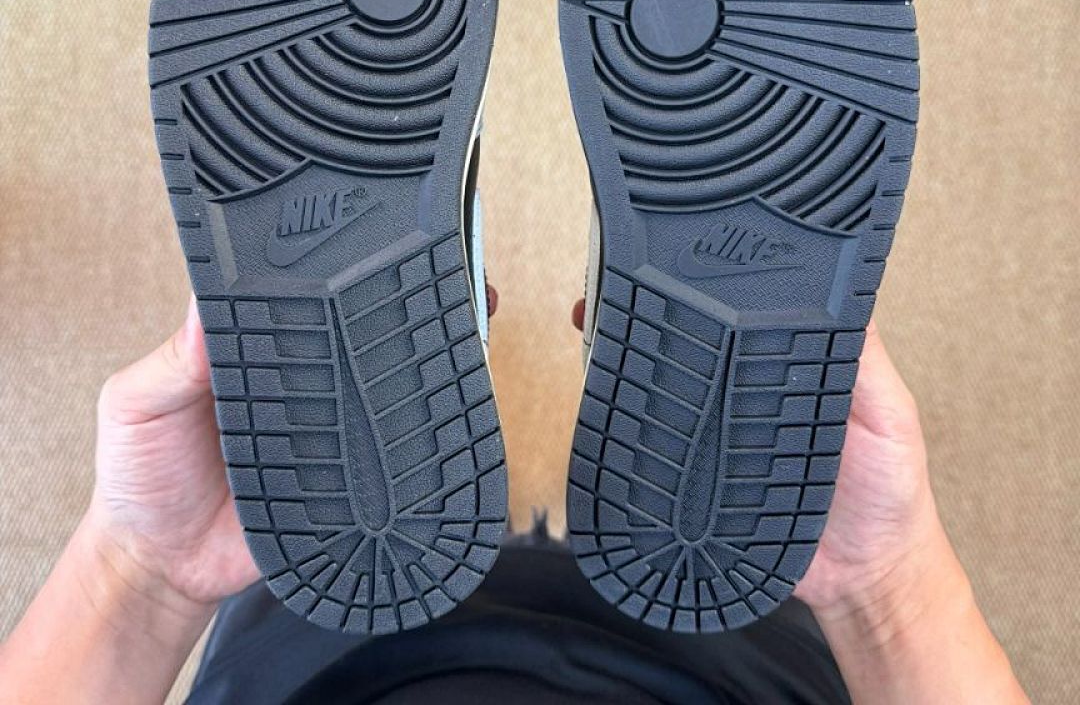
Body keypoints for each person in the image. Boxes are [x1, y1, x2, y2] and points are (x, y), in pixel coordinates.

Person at [0, 293, 1027, 704]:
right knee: (704, 554)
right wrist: (886, 592)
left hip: (331, 641)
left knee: (354, 541)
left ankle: (427, 370)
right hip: (720, 647)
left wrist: (142, 572)